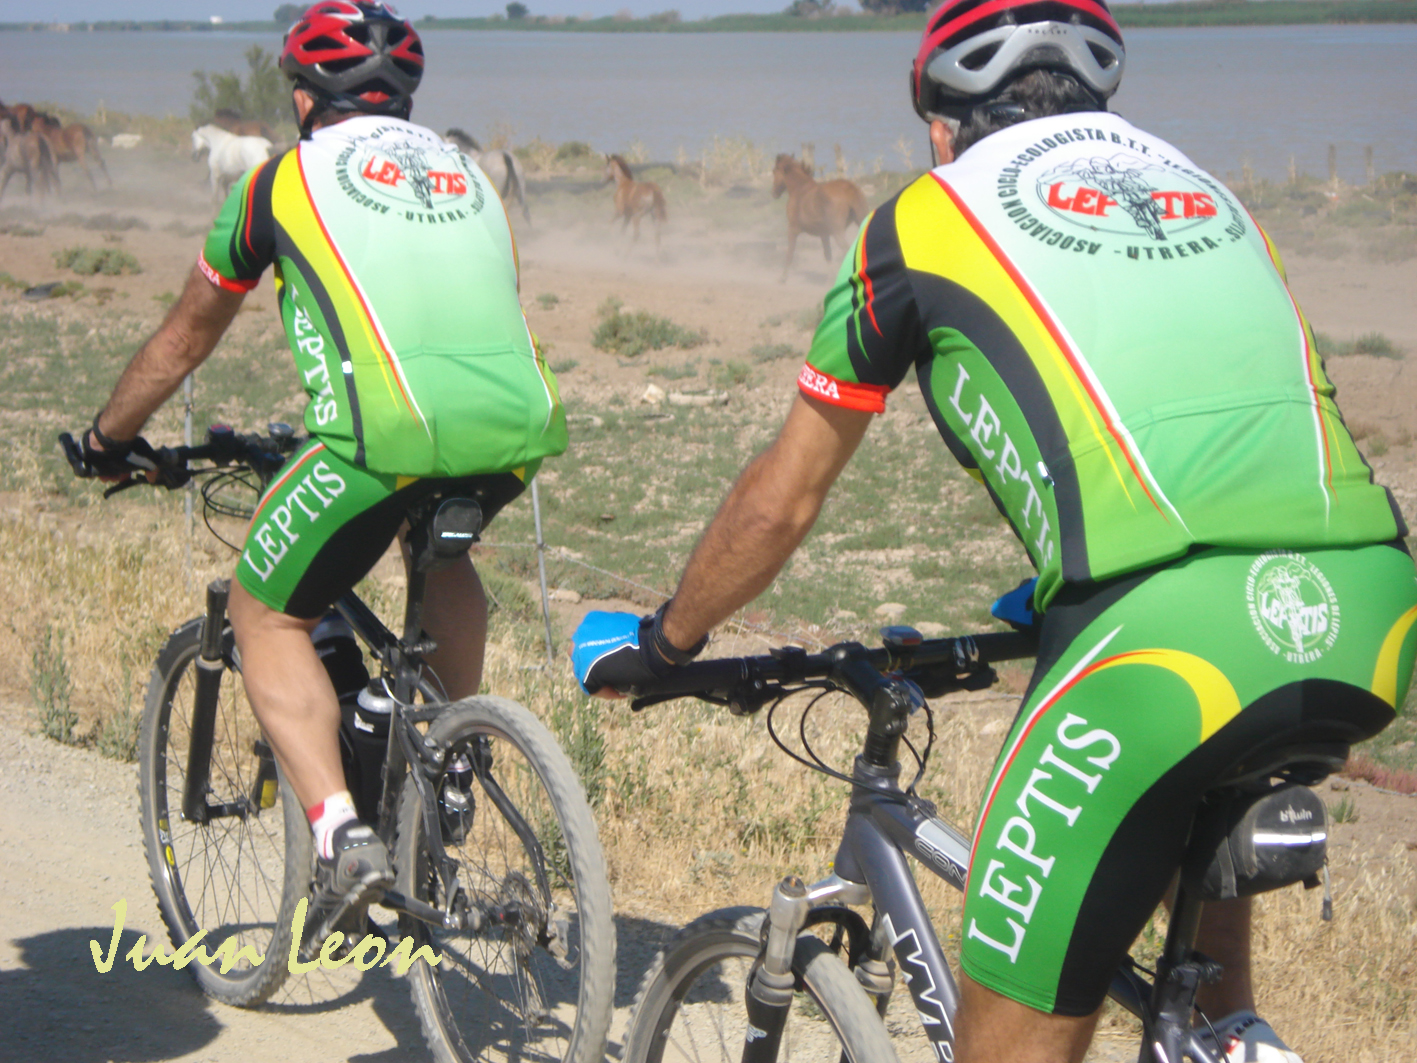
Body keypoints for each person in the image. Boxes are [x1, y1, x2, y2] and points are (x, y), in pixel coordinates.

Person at [572, 2, 1417, 1061]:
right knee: (1198, 979)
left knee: (1006, 1036)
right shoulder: (1213, 195)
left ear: (939, 126)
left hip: (1156, 637)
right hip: (1369, 614)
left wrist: (668, 642)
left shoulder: (922, 220)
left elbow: (779, 500)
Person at [68, 1, 566, 942]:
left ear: (302, 97)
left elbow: (185, 335)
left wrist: (108, 436)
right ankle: (450, 756)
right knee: (441, 556)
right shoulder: (467, 173)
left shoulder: (277, 181)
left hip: (378, 439)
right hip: (514, 428)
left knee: (265, 611)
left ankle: (342, 838)